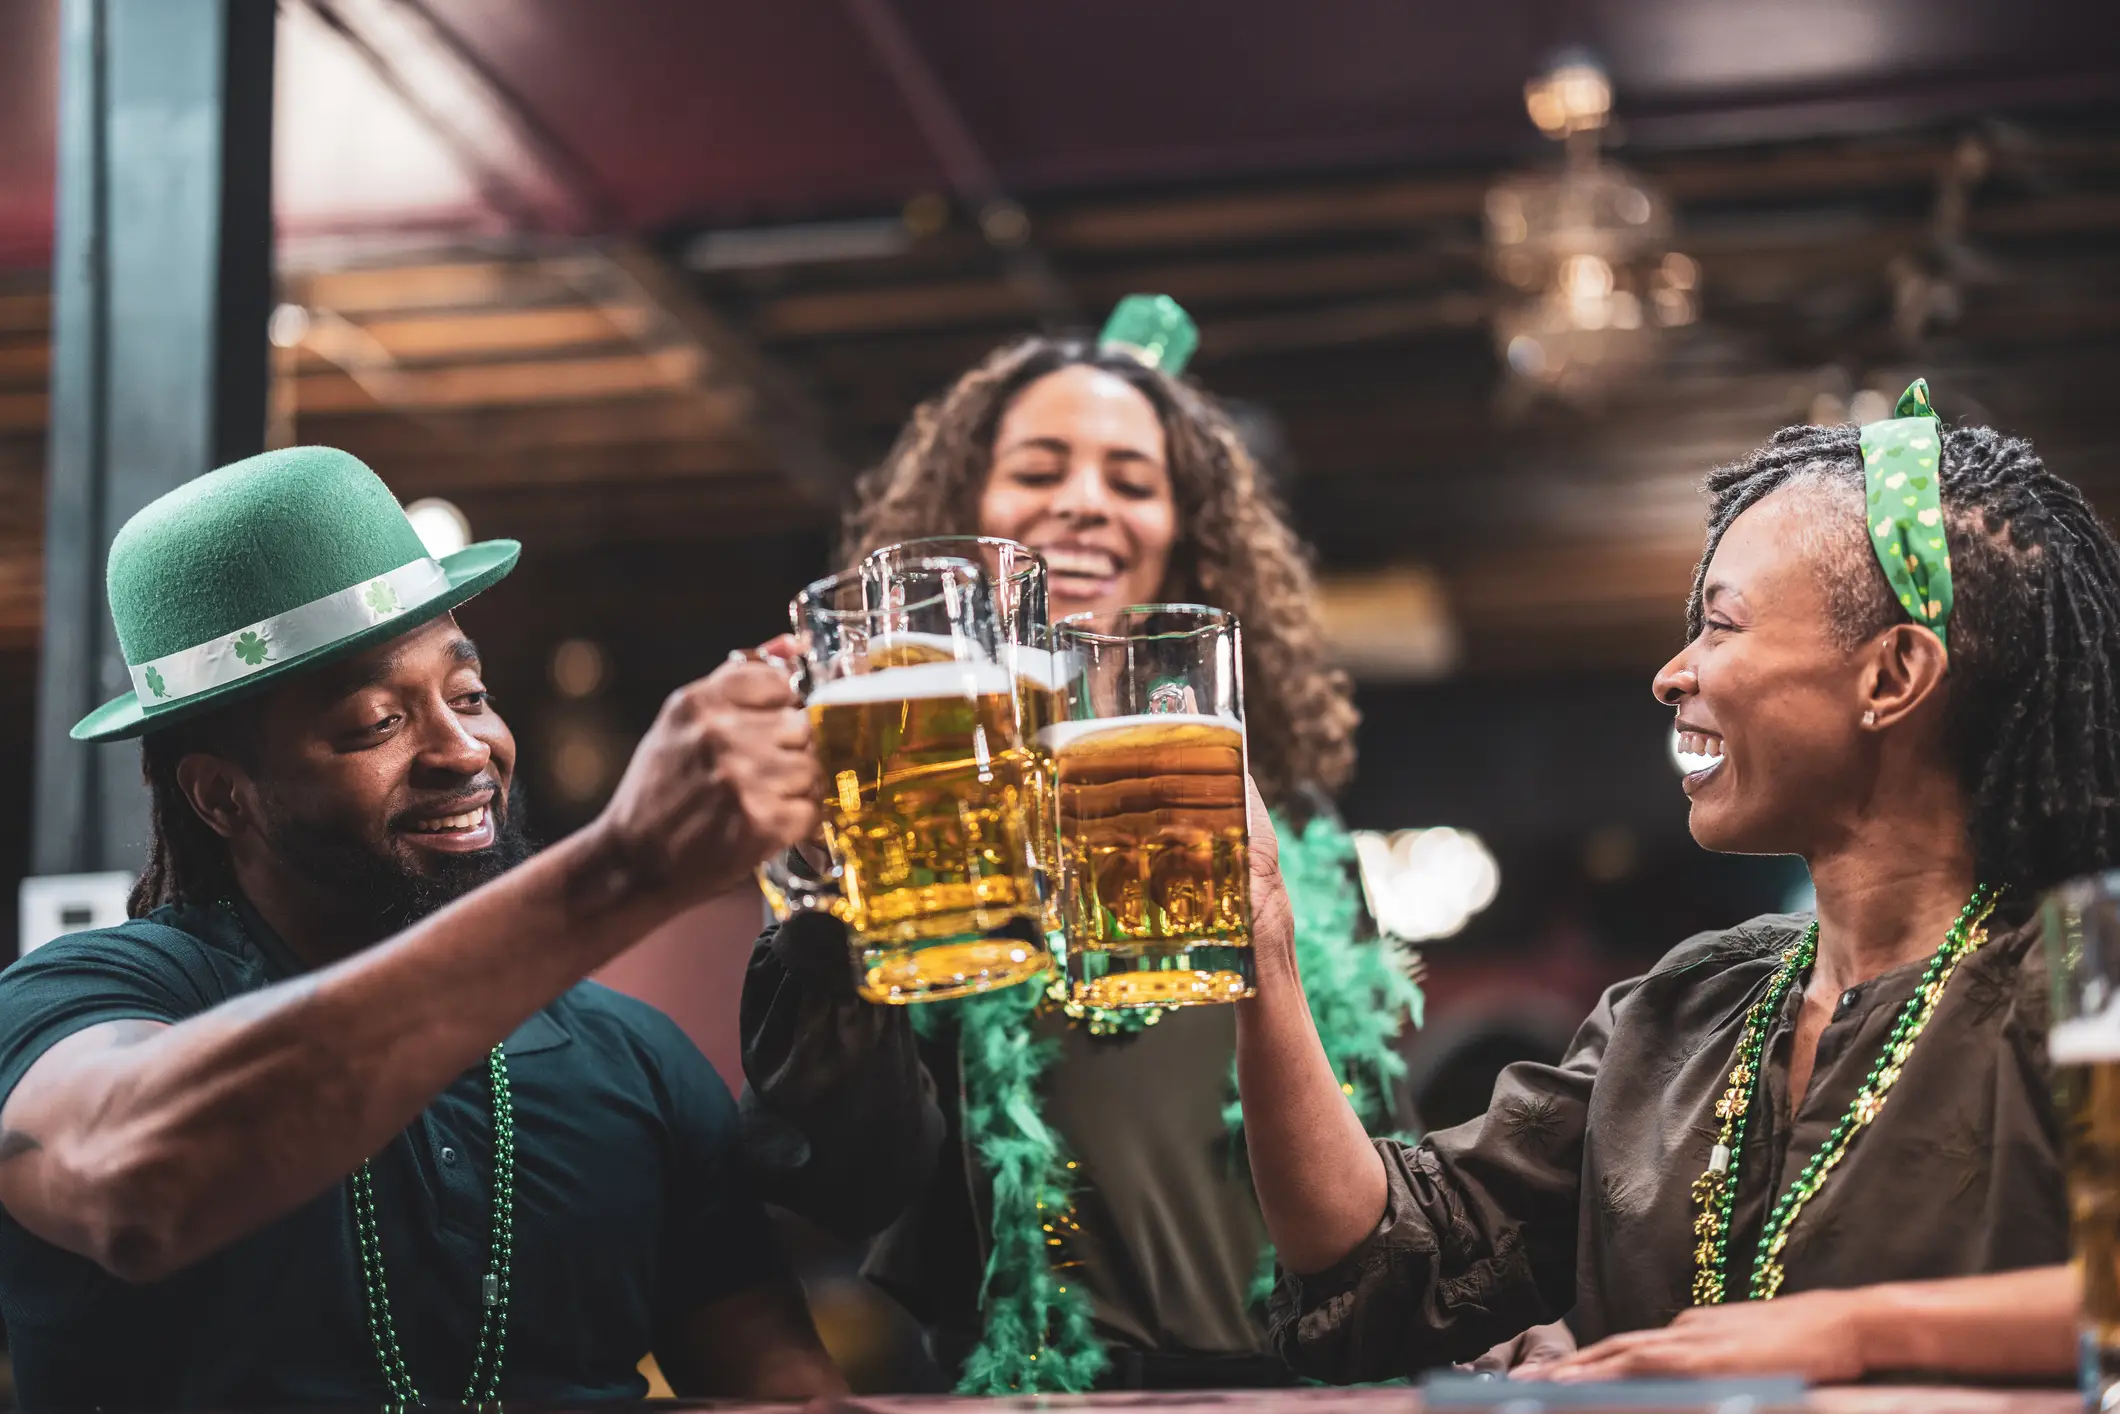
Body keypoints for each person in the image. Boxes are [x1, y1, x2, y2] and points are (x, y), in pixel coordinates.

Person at [1236, 383, 2098, 1384]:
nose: (1671, 673)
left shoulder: (2077, 977)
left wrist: (1847, 1335)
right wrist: (1265, 945)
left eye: (1720, 626)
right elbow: (1378, 1256)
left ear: (1890, 675)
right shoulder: (1684, 1008)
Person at [0, 447, 844, 1406]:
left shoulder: (634, 1060)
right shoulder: (85, 999)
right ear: (222, 797)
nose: (462, 750)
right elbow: (136, 1188)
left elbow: (788, 1393)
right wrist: (623, 865)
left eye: (471, 696)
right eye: (375, 723)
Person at [740, 296, 1423, 1393]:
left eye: (1131, 480)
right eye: (1039, 468)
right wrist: (819, 896)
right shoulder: (914, 811)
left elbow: (1387, 1156)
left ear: (1184, 532)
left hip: (1311, 1388)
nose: (1084, 505)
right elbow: (842, 1171)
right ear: (962, 518)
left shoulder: (1281, 821)